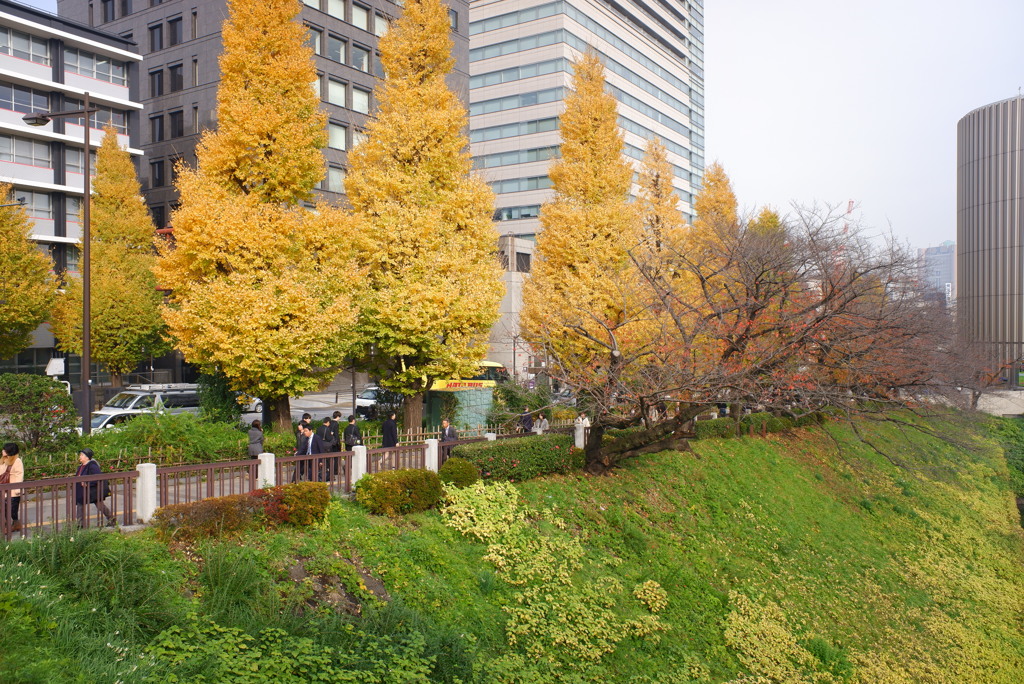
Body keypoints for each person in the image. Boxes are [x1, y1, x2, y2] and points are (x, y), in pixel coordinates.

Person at [75, 448, 114, 527]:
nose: (80, 457)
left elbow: (98, 477)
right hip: (82, 491)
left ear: (87, 457)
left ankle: (112, 519)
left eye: (82, 455)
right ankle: (80, 525)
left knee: (100, 505)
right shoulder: (81, 466)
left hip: (92, 491)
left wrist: (88, 483)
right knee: (80, 505)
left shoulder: (92, 465)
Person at [0, 442, 24, 534]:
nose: (2, 451)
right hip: (4, 489)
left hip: (13, 490)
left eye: (4, 449)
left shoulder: (17, 461)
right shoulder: (3, 460)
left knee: (12, 510)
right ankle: (11, 524)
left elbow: (19, 475)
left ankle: (12, 525)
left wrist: (17, 489)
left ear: (9, 451)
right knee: (4, 508)